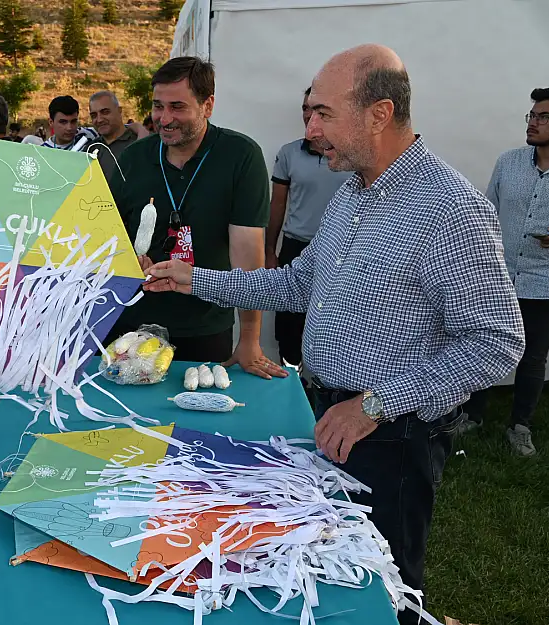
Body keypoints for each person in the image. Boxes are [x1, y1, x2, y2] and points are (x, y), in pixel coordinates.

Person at [143, 45, 524, 616]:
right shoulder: (352, 192)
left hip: (390, 437)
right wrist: (196, 281)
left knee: (380, 584)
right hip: (330, 412)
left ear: (380, 113)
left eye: (322, 113)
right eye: (308, 114)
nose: (311, 129)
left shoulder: (451, 210)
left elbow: (497, 343)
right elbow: (298, 284)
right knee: (328, 574)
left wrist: (373, 405)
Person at [108, 57, 285, 377]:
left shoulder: (240, 156)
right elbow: (110, 234)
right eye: (158, 106)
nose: (164, 119)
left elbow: (248, 256)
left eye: (177, 106)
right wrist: (128, 260)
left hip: (206, 325)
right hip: (132, 323)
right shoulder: (134, 158)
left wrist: (249, 338)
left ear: (208, 105)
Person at [459, 86, 549, 455]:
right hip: (500, 275)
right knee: (484, 343)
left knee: (532, 355)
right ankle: (472, 415)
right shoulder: (509, 161)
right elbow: (487, 209)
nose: (534, 123)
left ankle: (519, 426)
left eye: (545, 117)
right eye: (532, 115)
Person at [266, 88, 352, 368]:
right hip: (297, 247)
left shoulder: (350, 156)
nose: (308, 115)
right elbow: (277, 204)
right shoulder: (289, 153)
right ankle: (291, 382)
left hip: (342, 249)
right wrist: (269, 250)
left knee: (336, 321)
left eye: (318, 109)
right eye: (305, 108)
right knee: (290, 323)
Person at [86, 90, 150, 182]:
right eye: (94, 115)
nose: (99, 120)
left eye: (105, 112)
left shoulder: (140, 142)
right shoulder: (90, 149)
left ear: (119, 111)